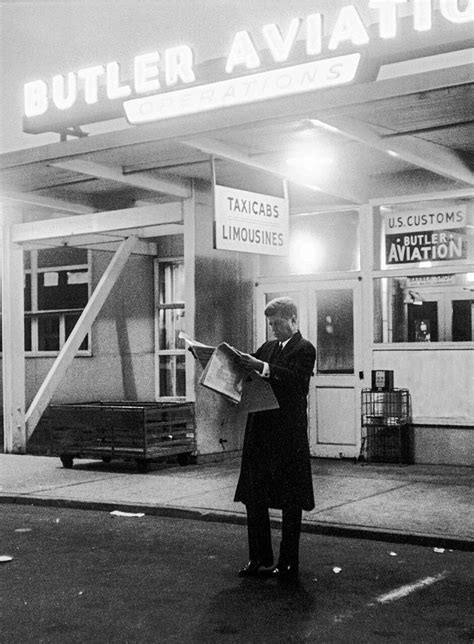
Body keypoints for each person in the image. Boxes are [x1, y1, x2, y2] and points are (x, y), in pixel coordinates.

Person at [234, 296, 316, 580]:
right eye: (270, 324)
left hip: (286, 436)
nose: (273, 329)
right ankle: (259, 557)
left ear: (294, 320)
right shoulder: (267, 348)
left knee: (291, 501)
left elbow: (295, 381)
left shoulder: (305, 349)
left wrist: (262, 367)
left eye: (278, 323)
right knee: (255, 498)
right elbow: (249, 372)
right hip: (260, 432)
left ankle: (288, 562)